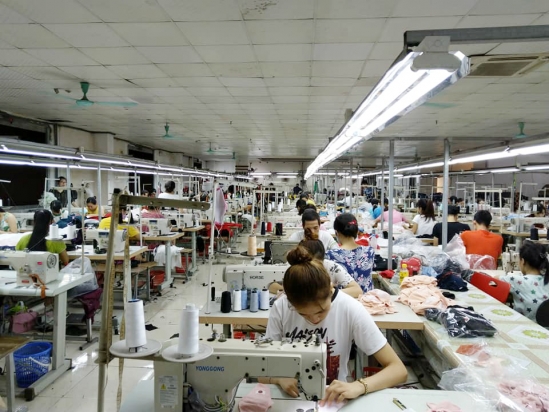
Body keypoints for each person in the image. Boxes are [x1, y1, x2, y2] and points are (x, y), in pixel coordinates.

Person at [264, 246, 407, 403]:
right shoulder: (281, 307)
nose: (314, 320)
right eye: (303, 314)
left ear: (331, 288)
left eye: (321, 311)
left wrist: (359, 386)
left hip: (332, 400)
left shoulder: (350, 308)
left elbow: (398, 370)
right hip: (288, 398)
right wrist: (277, 378)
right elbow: (261, 369)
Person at [499, 241, 549, 322]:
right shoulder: (546, 279)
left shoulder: (515, 280)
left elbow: (493, 281)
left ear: (523, 261)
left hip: (525, 326)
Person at [300, 233, 362, 297]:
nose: (312, 269)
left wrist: (330, 292)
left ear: (322, 259)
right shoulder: (296, 270)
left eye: (317, 265)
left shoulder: (332, 267)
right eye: (307, 265)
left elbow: (357, 290)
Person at [326, 213, 375, 292]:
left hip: (345, 298)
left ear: (337, 233)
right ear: (357, 231)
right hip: (367, 298)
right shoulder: (370, 251)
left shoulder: (330, 255)